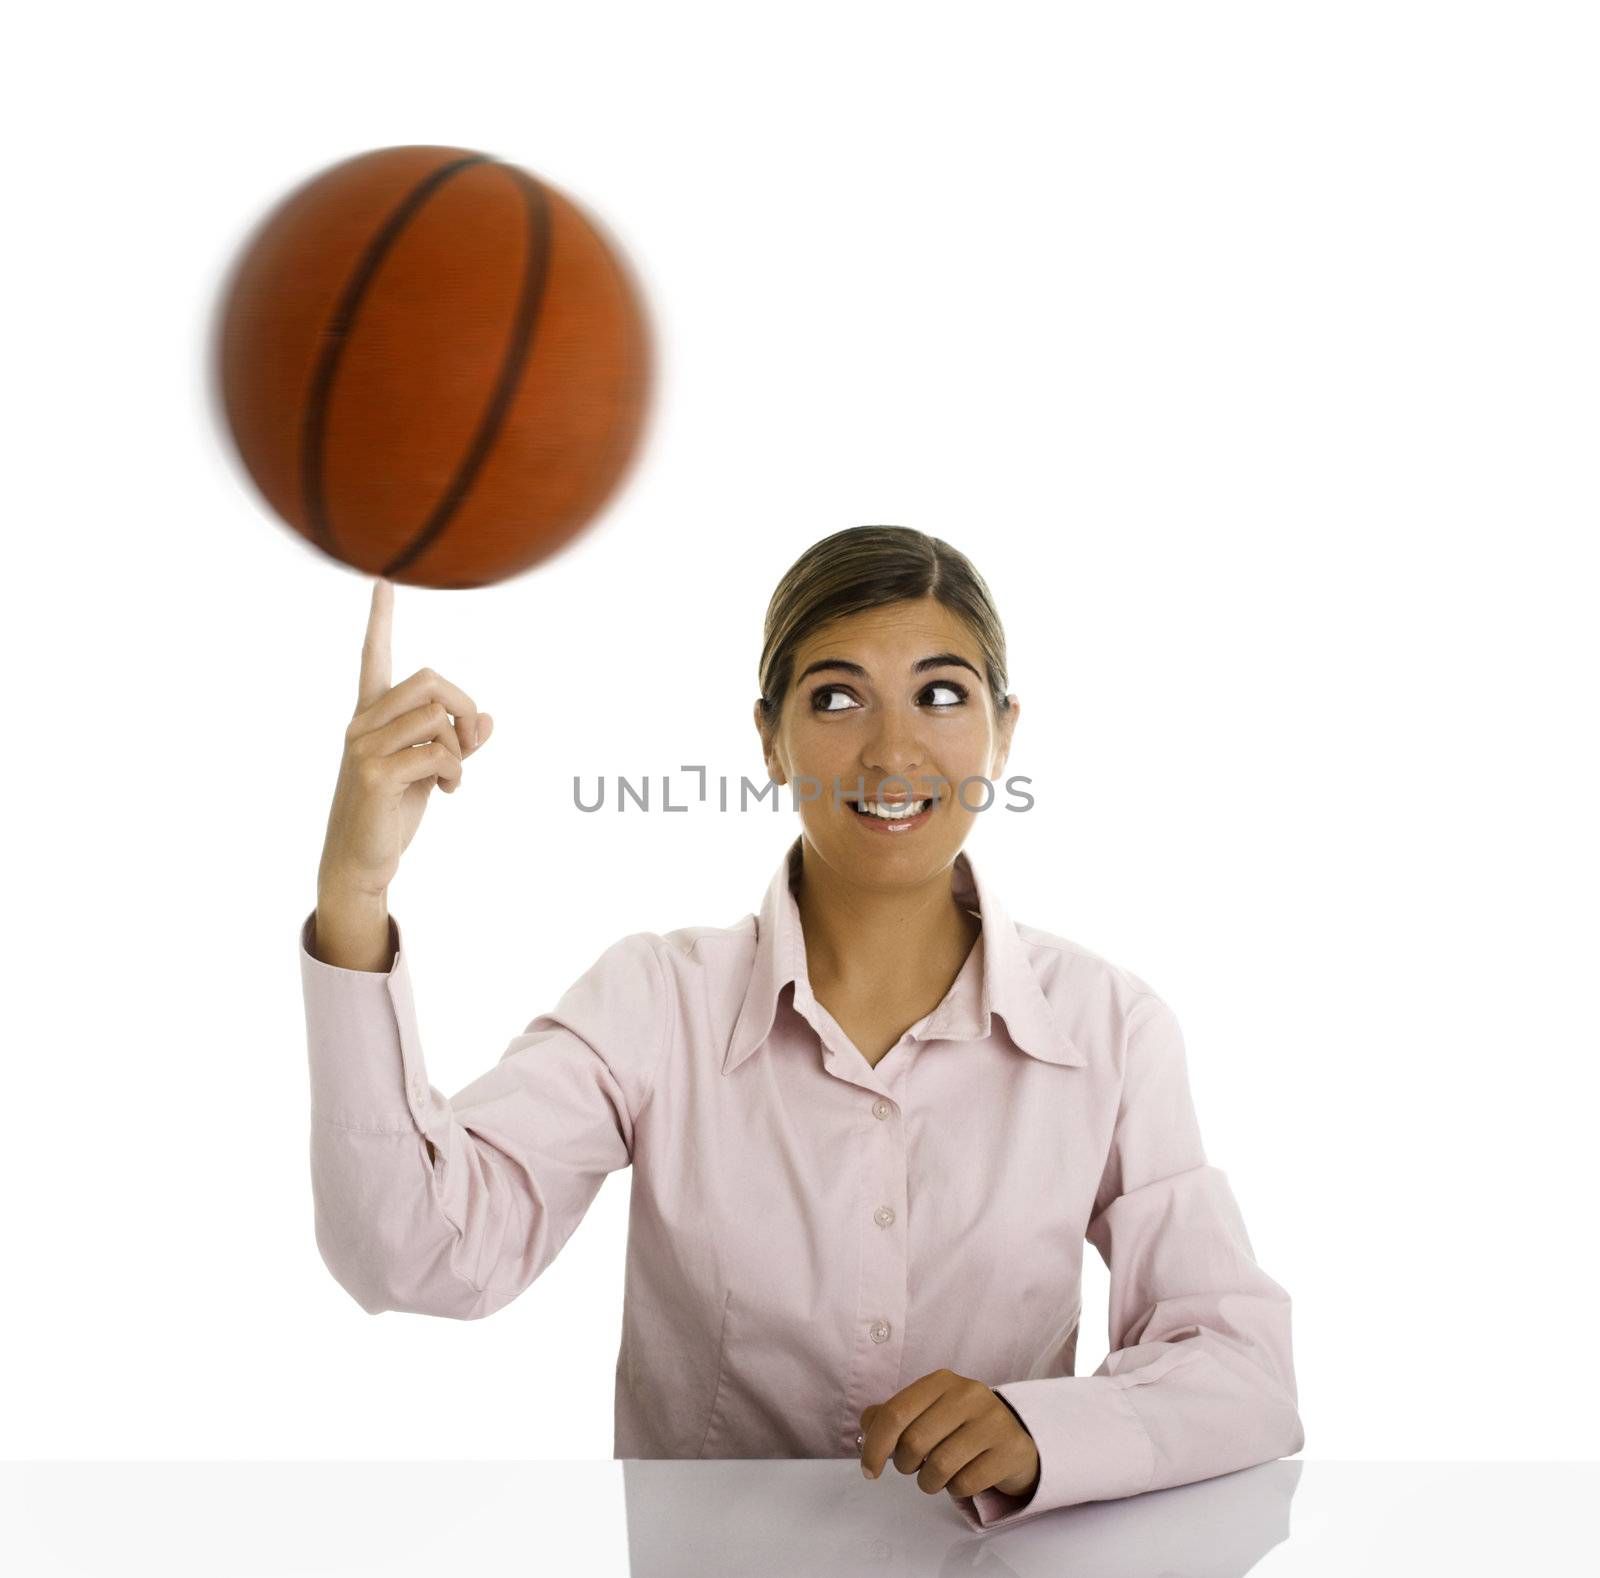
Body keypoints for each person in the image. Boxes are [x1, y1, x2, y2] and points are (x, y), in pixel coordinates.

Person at [301, 525, 1305, 1533]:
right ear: (768, 738)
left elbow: (1238, 1371)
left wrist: (1041, 1428)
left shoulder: (1110, 1029)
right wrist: (356, 887)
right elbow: (412, 1253)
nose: (893, 750)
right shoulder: (657, 1001)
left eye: (941, 694)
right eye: (835, 697)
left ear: (1003, 732)